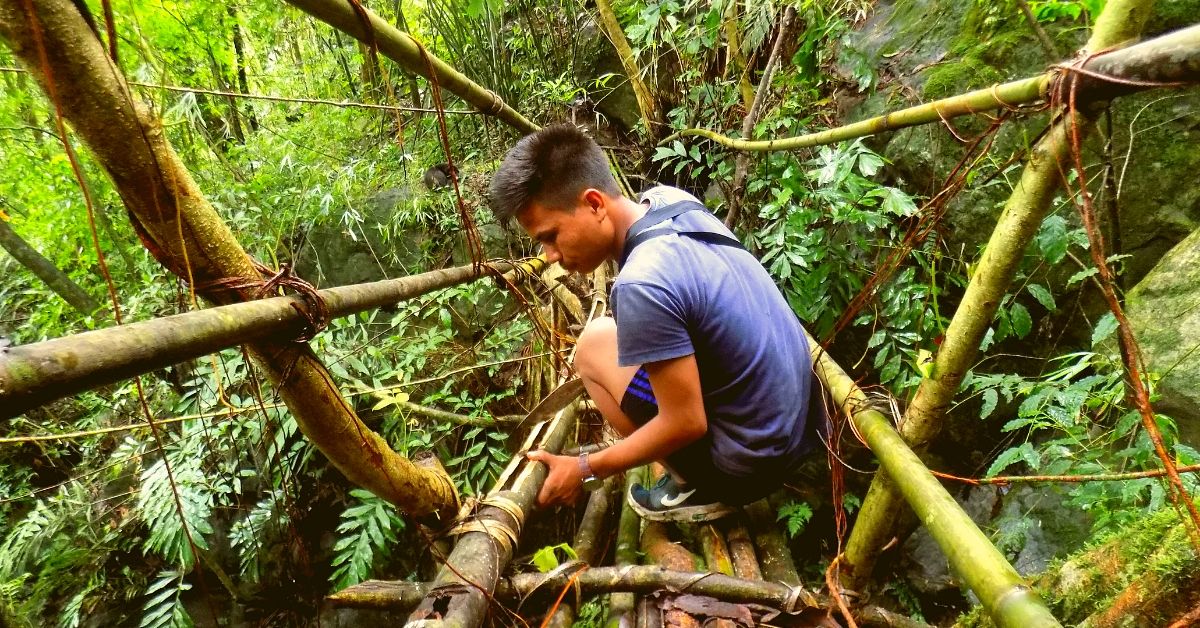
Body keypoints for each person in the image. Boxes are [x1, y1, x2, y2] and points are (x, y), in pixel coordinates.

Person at [489, 124, 818, 522]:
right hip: (798, 431)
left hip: (749, 467)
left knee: (592, 349)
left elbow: (686, 421)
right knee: (605, 337)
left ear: (595, 204)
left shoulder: (641, 283)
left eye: (552, 236)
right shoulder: (669, 201)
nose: (551, 255)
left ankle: (694, 485)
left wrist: (585, 468)